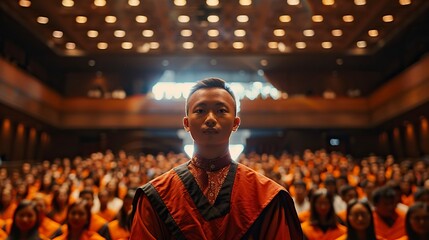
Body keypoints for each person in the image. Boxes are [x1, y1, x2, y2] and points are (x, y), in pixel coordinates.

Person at [130, 77, 303, 239]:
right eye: (200, 110)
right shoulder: (154, 196)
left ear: (236, 123)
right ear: (186, 123)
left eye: (221, 110)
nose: (211, 119)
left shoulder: (268, 197)